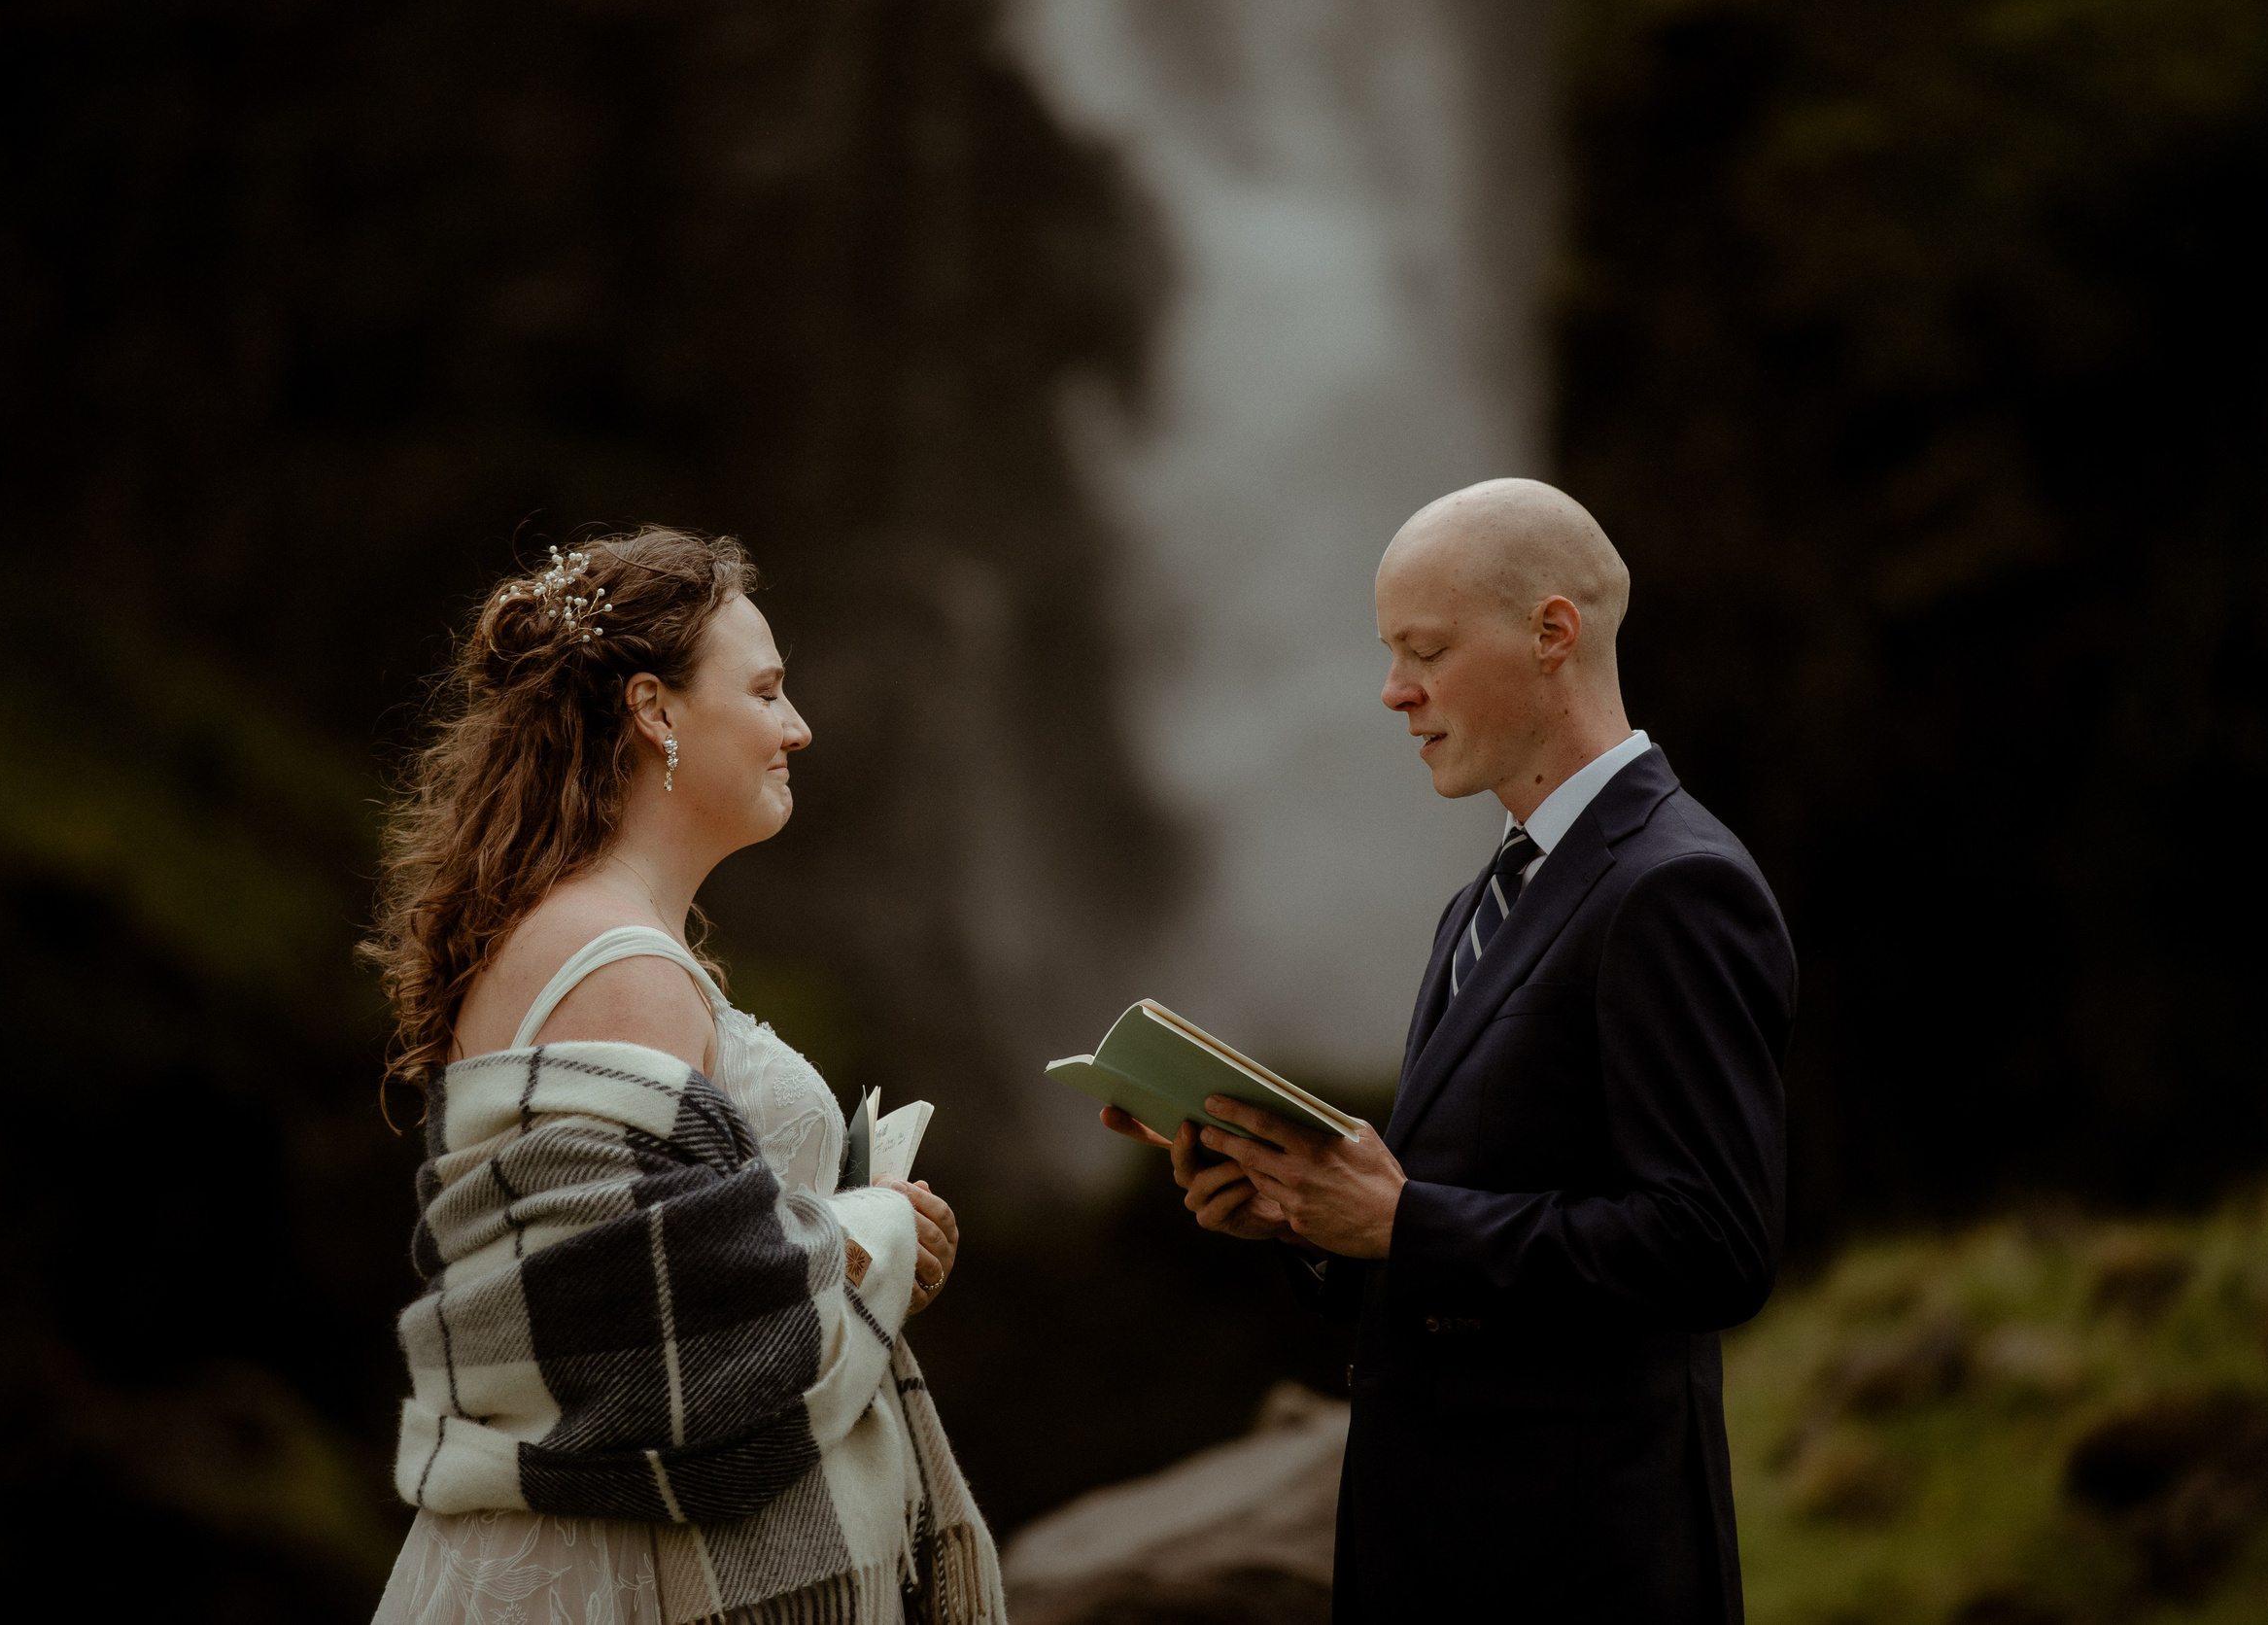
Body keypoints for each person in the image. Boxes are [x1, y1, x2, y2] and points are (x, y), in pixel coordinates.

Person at [1102, 479, 1792, 1622]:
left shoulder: (1677, 886)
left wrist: (1400, 1221)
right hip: (1431, 1555)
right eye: (1388, 653)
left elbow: (1712, 1246)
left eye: (1421, 650)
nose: (1391, 691)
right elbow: (1448, 1211)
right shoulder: (1482, 898)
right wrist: (1303, 1211)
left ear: (1551, 633)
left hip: (1581, 1570)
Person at [362, 530, 1004, 1625]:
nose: (797, 726)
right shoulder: (620, 970)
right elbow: (665, 1343)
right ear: (655, 711)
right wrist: (874, 1233)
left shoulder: (586, 937)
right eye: (765, 690)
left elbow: (633, 1273)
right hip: (620, 1576)